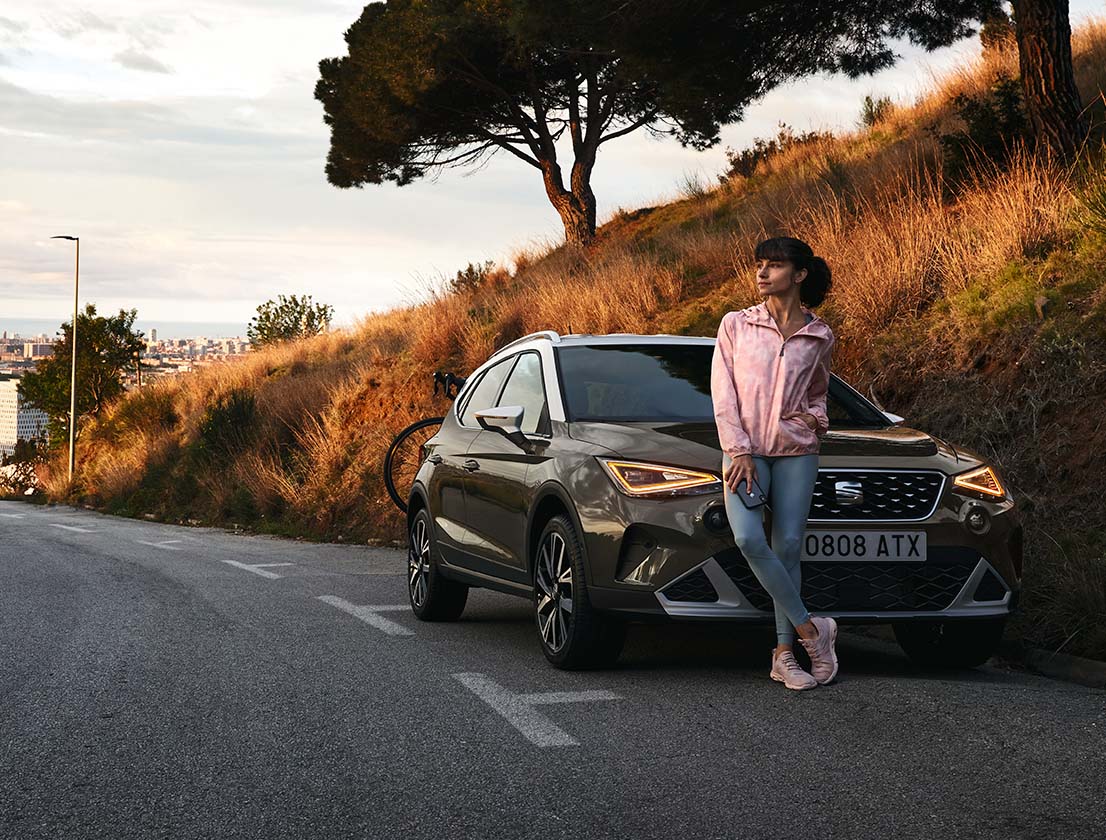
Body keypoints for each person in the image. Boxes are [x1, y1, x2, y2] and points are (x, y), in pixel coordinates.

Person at [710, 236, 839, 691]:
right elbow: (723, 393)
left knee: (787, 547)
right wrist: (739, 449)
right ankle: (812, 631)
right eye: (759, 264)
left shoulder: (819, 335)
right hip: (745, 452)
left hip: (797, 451)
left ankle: (785, 655)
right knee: (748, 538)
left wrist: (815, 420)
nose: (762, 272)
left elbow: (819, 391)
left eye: (774, 265)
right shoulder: (736, 325)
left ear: (799, 275)